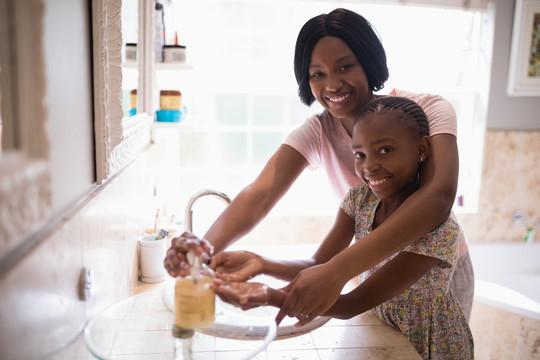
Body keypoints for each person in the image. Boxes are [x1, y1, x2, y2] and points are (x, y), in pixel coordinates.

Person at [164, 7, 474, 322]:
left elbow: (438, 198)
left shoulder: (428, 110)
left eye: (345, 67)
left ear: (368, 61)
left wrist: (337, 270)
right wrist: (200, 250)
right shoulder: (319, 131)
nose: (333, 84)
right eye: (317, 74)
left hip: (435, 273)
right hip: (369, 269)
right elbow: (259, 194)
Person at [211, 96, 474, 359]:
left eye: (385, 150)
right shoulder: (359, 202)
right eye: (360, 154)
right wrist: (260, 263)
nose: (369, 166)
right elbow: (318, 263)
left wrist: (268, 296)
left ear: (422, 149)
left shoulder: (439, 230)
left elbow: (352, 304)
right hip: (387, 332)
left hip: (430, 348)